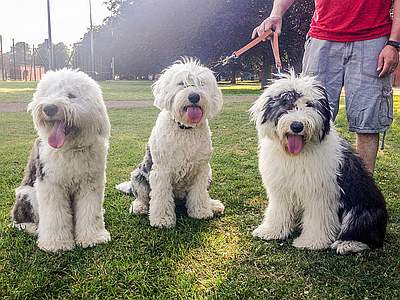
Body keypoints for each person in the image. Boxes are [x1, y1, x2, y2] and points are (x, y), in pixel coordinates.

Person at [252, 0, 400, 173]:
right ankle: (304, 187)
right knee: (308, 117)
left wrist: (394, 43)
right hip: (322, 38)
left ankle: (363, 192)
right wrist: (275, 14)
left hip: (373, 39)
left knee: (367, 124)